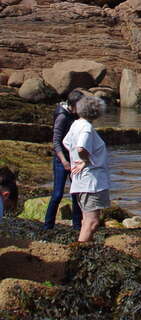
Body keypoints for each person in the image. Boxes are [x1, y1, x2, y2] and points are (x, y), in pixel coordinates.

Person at [62, 93, 110, 243]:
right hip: (90, 182)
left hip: (81, 181)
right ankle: (78, 251)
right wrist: (85, 160)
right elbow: (81, 147)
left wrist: (76, 159)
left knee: (86, 220)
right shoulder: (86, 128)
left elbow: (66, 142)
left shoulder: (76, 124)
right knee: (92, 221)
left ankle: (82, 247)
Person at [43, 89, 83, 231]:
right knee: (58, 194)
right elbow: (56, 142)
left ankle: (77, 226)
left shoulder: (75, 115)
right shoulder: (62, 116)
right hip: (61, 160)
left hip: (73, 159)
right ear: (72, 105)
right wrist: (64, 161)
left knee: (76, 193)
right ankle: (48, 226)